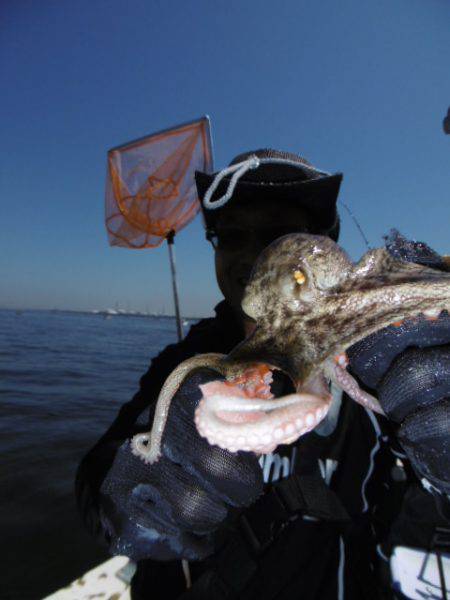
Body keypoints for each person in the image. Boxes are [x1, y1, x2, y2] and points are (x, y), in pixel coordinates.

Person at [76, 149, 450, 599]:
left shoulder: (387, 361)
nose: (256, 257)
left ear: (325, 240)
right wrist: (132, 500)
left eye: (279, 233)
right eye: (232, 235)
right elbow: (96, 486)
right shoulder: (186, 364)